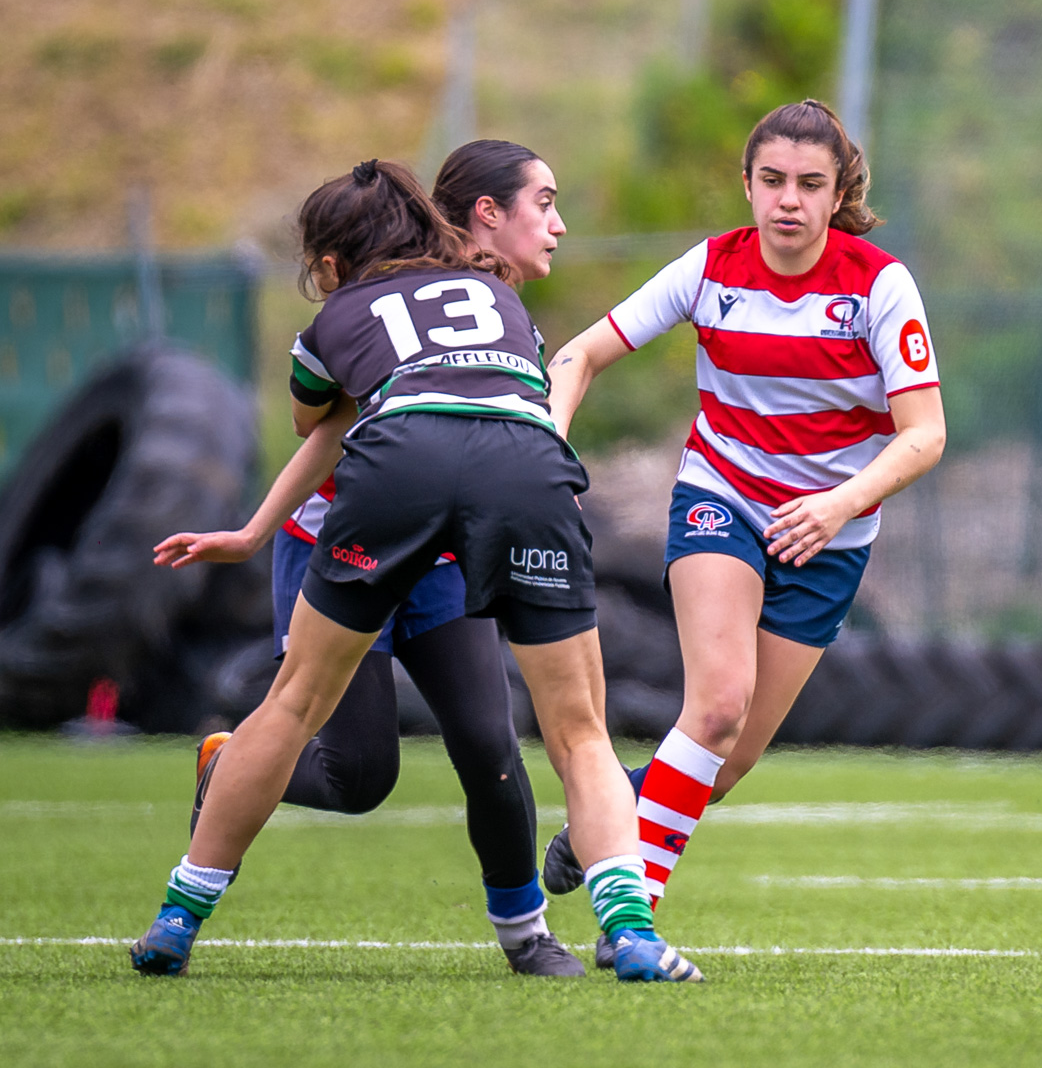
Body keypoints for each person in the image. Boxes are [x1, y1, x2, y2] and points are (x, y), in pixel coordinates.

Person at [130, 157, 701, 984]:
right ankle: (632, 930)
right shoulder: (495, 298)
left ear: (332, 265)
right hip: (494, 474)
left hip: (402, 493)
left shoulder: (351, 314)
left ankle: (182, 916)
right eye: (543, 204)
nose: (556, 223)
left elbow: (324, 417)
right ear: (470, 221)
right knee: (565, 734)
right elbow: (368, 422)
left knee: (422, 730)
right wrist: (258, 532)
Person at [539, 99, 946, 949]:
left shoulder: (879, 285)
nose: (788, 201)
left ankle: (600, 821)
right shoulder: (712, 269)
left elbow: (926, 435)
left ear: (839, 196)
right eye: (771, 181)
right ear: (748, 185)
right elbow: (579, 354)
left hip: (830, 537)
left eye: (809, 184)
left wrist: (837, 505)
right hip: (720, 499)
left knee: (721, 768)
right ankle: (632, 917)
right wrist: (547, 446)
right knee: (716, 706)